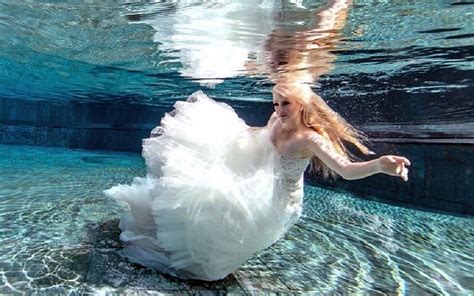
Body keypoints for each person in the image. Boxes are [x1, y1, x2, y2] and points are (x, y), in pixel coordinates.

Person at [104, 82, 410, 282]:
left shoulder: (310, 138)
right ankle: (183, 248)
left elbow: (345, 169)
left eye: (286, 104)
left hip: (279, 201)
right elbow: (259, 134)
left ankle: (202, 260)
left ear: (302, 105)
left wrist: (380, 165)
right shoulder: (276, 120)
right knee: (204, 192)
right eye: (275, 103)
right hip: (256, 178)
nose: (278, 110)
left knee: (224, 211)